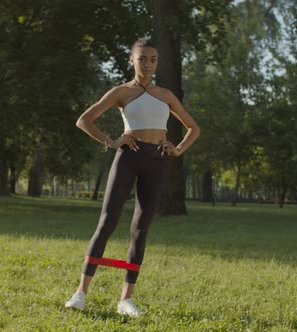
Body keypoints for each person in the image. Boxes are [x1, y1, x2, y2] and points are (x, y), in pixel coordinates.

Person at [65, 38, 200, 317]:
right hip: (128, 157)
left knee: (141, 228)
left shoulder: (166, 94)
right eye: (142, 59)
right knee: (108, 221)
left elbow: (193, 128)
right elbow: (84, 120)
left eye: (153, 59)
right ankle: (80, 293)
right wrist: (111, 142)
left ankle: (126, 299)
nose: (148, 64)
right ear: (132, 60)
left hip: (156, 161)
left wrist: (176, 150)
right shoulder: (121, 92)